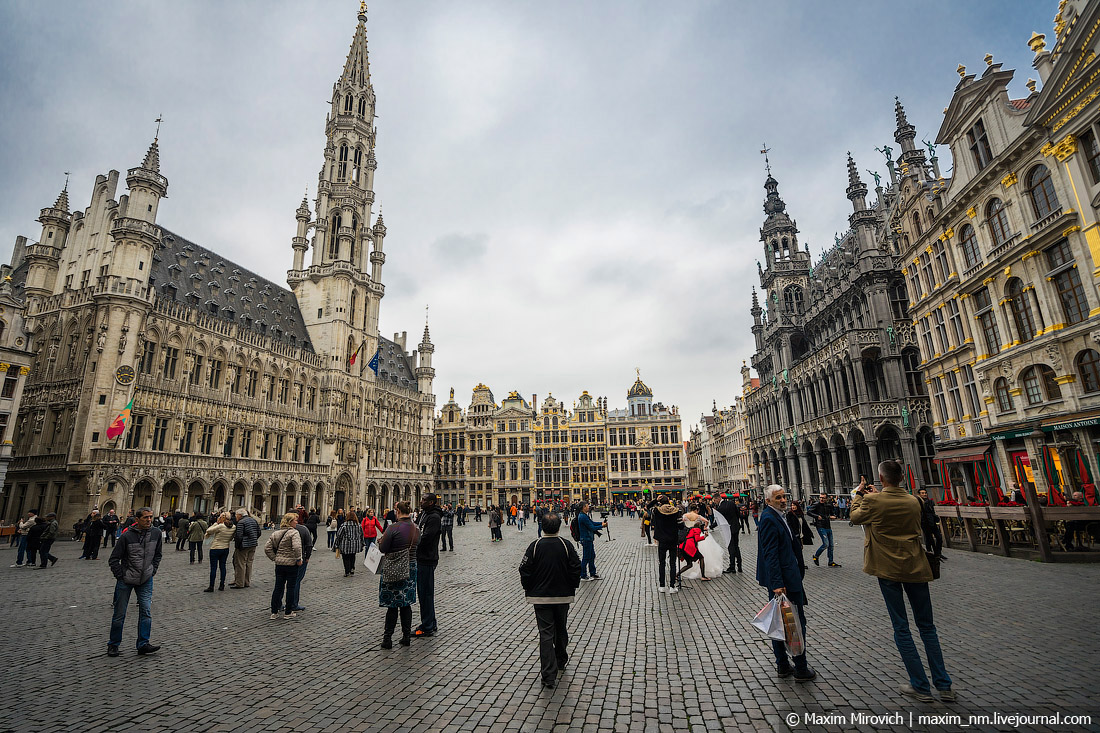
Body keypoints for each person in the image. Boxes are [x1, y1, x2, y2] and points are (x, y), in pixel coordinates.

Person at [850, 463, 953, 703]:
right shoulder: (914, 501)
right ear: (902, 477)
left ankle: (920, 685)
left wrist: (859, 494)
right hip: (916, 566)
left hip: (887, 568)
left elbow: (855, 517)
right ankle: (944, 685)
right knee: (927, 627)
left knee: (901, 627)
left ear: (881, 478)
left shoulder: (873, 502)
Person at [755, 485, 815, 682]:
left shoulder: (779, 516)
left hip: (787, 576)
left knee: (782, 622)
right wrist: (777, 583)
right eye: (778, 497)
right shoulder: (769, 519)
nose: (783, 500)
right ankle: (800, 667)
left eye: (784, 496)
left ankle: (783, 665)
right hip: (784, 580)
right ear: (768, 501)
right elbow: (770, 554)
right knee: (794, 623)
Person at [519, 512, 581, 689]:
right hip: (562, 595)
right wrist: (572, 585)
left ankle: (548, 675)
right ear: (559, 526)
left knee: (546, 634)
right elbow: (576, 566)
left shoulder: (536, 545)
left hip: (541, 597)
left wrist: (529, 587)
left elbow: (524, 568)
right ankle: (561, 660)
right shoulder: (566, 544)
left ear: (542, 526)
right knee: (561, 627)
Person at [107, 507, 163, 656]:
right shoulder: (127, 536)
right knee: (119, 614)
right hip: (127, 578)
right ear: (137, 519)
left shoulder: (156, 533)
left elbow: (158, 555)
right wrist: (121, 575)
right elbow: (113, 559)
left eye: (151, 517)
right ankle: (113, 644)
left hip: (146, 578)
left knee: (146, 612)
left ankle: (143, 643)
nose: (149, 520)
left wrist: (153, 570)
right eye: (145, 517)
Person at [378, 500, 420, 649]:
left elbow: (383, 548)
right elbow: (417, 546)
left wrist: (381, 541)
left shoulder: (392, 528)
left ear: (398, 512)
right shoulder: (416, 528)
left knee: (392, 605)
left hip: (394, 567)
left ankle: (387, 639)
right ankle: (406, 636)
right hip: (411, 568)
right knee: (406, 604)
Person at [264, 513, 303, 620]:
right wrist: (298, 559)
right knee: (290, 588)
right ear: (289, 521)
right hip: (291, 564)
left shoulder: (276, 533)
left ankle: (274, 612)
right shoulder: (294, 533)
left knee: (278, 587)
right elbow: (296, 547)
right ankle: (288, 612)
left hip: (279, 564)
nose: (297, 522)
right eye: (295, 520)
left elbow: (267, 548)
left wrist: (275, 558)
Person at [414, 494, 442, 637]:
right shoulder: (424, 514)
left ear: (431, 502)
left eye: (424, 500)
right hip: (422, 557)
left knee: (425, 593)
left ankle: (427, 626)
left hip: (427, 558)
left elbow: (426, 537)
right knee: (424, 592)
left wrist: (412, 545)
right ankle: (431, 621)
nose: (421, 501)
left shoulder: (434, 517)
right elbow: (416, 529)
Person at [288, 511, 314, 613]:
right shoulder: (302, 529)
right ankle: (293, 604)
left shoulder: (280, 530)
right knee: (296, 581)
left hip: (283, 560)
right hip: (299, 559)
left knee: (280, 583)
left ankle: (278, 604)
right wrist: (306, 557)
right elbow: (309, 544)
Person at [203, 513, 235, 592]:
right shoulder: (233, 527)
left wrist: (215, 523)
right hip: (225, 548)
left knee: (214, 568)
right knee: (223, 567)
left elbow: (209, 530)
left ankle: (211, 586)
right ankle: (222, 585)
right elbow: (231, 538)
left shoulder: (220, 526)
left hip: (216, 548)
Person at [229, 508, 261, 589]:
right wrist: (253, 539)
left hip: (243, 545)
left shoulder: (241, 522)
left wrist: (237, 545)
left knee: (240, 564)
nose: (236, 517)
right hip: (253, 544)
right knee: (249, 563)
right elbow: (259, 532)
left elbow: (239, 536)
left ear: (240, 515)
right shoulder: (253, 520)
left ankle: (239, 583)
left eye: (236, 515)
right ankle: (247, 582)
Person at [808, 493, 840, 568]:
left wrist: (833, 516)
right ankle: (816, 556)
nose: (821, 499)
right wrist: (817, 516)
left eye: (823, 498)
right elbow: (809, 512)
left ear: (826, 498)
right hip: (820, 526)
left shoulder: (828, 505)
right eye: (820, 497)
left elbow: (832, 514)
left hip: (828, 526)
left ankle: (830, 561)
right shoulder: (816, 504)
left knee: (831, 545)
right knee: (826, 544)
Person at [576, 502, 605, 581]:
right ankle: (583, 575)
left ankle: (593, 573)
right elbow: (591, 527)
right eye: (587, 506)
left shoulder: (585, 515)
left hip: (588, 538)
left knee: (592, 556)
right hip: (586, 539)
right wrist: (602, 526)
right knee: (586, 557)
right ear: (583, 507)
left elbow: (591, 523)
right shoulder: (582, 516)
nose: (588, 507)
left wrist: (601, 523)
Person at [716, 494, 742, 572]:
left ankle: (732, 567)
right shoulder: (731, 503)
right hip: (736, 527)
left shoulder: (720, 508)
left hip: (728, 529)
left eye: (714, 500)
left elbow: (718, 520)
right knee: (736, 546)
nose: (714, 502)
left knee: (731, 547)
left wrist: (710, 527)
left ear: (718, 499)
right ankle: (740, 566)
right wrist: (737, 523)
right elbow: (738, 514)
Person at [335, 510, 364, 577]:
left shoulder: (344, 525)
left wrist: (337, 544)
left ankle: (347, 571)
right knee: (352, 556)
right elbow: (361, 535)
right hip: (354, 544)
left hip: (346, 544)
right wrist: (362, 543)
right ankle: (352, 568)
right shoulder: (358, 525)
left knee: (346, 557)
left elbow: (339, 535)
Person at [916, 489, 944, 560]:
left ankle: (938, 552)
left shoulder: (930, 502)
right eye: (922, 493)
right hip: (924, 522)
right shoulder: (918, 502)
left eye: (925, 493)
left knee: (939, 537)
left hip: (932, 522)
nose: (924, 494)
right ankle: (929, 552)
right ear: (919, 494)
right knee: (928, 538)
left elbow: (933, 511)